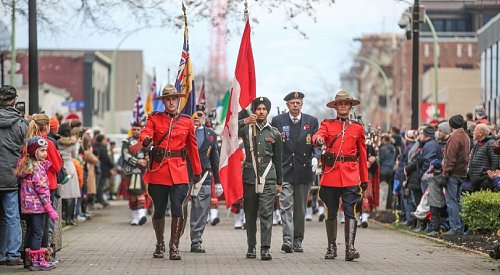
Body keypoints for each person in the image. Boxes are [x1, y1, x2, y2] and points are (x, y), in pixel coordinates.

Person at [140, 84, 202, 260]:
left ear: (178, 100)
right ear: (164, 101)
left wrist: (197, 171)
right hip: (159, 171)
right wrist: (146, 140)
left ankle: (174, 246)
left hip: (179, 171)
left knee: (178, 208)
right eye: (168, 99)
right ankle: (160, 244)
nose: (171, 101)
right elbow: (145, 132)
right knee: (159, 209)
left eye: (174, 98)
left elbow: (192, 147)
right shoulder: (155, 118)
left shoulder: (186, 120)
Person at [313, 90, 368, 261]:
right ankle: (331, 247)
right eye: (340, 103)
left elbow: (363, 154)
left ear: (350, 106)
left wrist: (364, 179)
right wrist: (318, 140)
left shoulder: (358, 128)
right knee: (331, 212)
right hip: (331, 174)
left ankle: (350, 248)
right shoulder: (327, 124)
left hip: (351, 175)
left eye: (346, 103)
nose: (343, 106)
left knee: (350, 211)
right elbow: (318, 135)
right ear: (335, 106)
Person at [270, 91, 320, 253]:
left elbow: (316, 144)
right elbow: (273, 144)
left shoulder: (311, 122)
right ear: (287, 105)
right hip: (284, 169)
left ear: (302, 104)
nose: (295, 105)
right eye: (292, 103)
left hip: (303, 170)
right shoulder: (278, 121)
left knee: (300, 210)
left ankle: (298, 240)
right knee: (285, 206)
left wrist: (316, 157)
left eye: (298, 103)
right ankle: (287, 240)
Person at [239, 96, 283, 261]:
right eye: (258, 109)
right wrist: (245, 120)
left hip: (269, 177)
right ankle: (251, 246)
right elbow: (229, 130)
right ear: (254, 111)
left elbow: (278, 159)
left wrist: (279, 182)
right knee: (250, 214)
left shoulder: (275, 133)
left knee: (266, 212)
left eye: (264, 109)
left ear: (268, 111)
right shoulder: (247, 129)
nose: (261, 111)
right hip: (250, 176)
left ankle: (265, 248)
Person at [16, 136, 59, 271]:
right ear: (34, 152)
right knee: (38, 233)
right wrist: (49, 206)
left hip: (28, 206)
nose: (45, 153)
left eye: (45, 150)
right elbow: (42, 188)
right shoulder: (37, 167)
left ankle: (29, 259)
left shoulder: (27, 165)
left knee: (31, 231)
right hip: (37, 206)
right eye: (42, 151)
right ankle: (37, 261)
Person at [189, 107, 223, 253]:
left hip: (203, 177)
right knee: (180, 211)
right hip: (184, 175)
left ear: (204, 117)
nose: (197, 116)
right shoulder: (184, 131)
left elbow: (214, 160)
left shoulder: (211, 135)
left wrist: (218, 181)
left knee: (201, 211)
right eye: (194, 114)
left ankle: (196, 241)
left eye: (200, 114)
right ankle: (175, 241)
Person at [0, 85, 27, 266]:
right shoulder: (21, 124)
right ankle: (12, 254)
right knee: (12, 216)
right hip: (11, 176)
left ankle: (2, 254)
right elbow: (28, 150)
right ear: (15, 101)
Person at [443, 115, 470, 236]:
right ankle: (460, 226)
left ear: (450, 125)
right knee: (458, 201)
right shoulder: (465, 136)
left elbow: (450, 158)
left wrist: (446, 173)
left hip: (453, 173)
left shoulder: (454, 137)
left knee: (451, 201)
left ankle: (455, 227)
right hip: (462, 172)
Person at [121, 122, 148, 226]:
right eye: (134, 129)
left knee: (141, 194)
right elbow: (125, 155)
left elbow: (148, 154)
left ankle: (141, 215)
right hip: (130, 171)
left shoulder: (145, 142)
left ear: (141, 130)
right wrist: (138, 161)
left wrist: (147, 159)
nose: (136, 131)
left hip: (142, 172)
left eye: (138, 129)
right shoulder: (126, 142)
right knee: (132, 195)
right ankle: (135, 217)